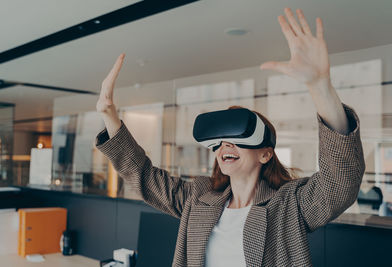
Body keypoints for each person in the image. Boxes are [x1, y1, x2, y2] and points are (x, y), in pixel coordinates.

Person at [95, 8, 365, 267]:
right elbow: (143, 177)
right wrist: (110, 116)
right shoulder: (198, 198)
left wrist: (320, 86)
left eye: (236, 137)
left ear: (265, 153)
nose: (226, 145)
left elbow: (341, 182)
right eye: (220, 140)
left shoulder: (288, 205)